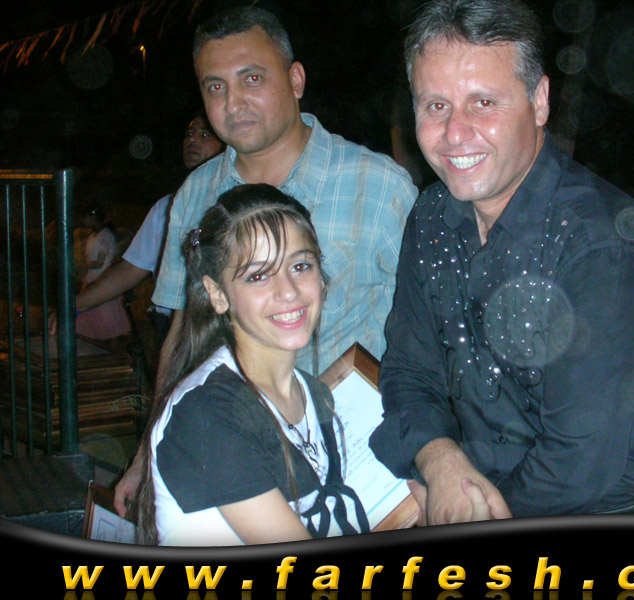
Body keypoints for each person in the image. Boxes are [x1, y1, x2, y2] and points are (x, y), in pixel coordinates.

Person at [369, 0, 634, 524]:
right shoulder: (433, 218)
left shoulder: (600, 246)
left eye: (483, 102)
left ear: (539, 101)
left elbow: (577, 467)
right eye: (436, 105)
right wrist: (439, 460)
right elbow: (409, 371)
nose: (455, 133)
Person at [113, 5, 416, 516]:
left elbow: (430, 329)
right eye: (215, 86)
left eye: (252, 78)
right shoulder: (195, 196)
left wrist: (433, 450)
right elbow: (183, 335)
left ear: (296, 80)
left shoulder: (379, 186)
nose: (233, 103)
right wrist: (147, 451)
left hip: (362, 460)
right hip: (230, 459)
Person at [137, 184, 369, 545]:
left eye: (300, 266)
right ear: (217, 294)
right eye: (258, 276)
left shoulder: (313, 393)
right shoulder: (206, 412)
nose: (288, 291)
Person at [49, 114, 224, 346]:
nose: (193, 140)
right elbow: (131, 269)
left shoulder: (234, 206)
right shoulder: (167, 207)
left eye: (205, 134)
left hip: (220, 329)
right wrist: (73, 306)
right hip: (174, 329)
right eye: (189, 134)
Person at [73, 203, 131, 340]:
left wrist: (80, 266)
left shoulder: (105, 236)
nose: (83, 220)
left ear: (94, 217)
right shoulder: (92, 236)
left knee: (107, 327)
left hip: (102, 282)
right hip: (92, 280)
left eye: (86, 217)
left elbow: (98, 263)